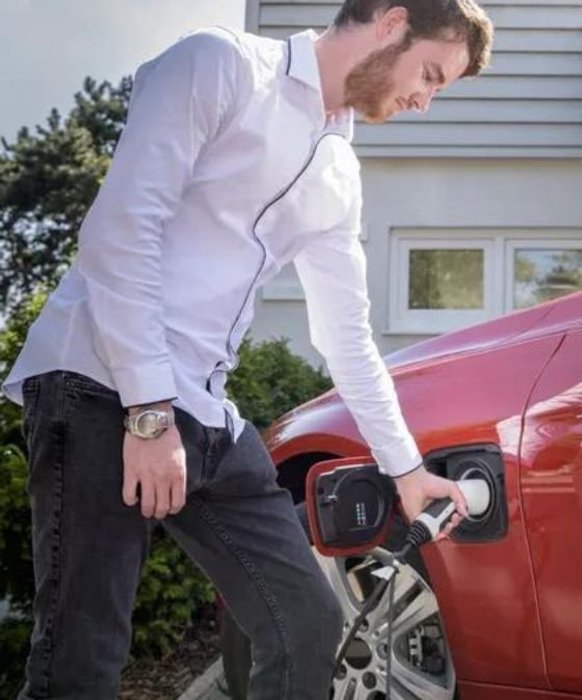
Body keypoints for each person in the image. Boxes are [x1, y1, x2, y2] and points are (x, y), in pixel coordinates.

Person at [0, 0, 493, 696]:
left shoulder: (336, 170)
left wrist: (407, 472)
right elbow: (119, 231)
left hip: (204, 410)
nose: (424, 100)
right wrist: (148, 413)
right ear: (390, 22)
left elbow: (346, 336)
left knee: (306, 623)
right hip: (99, 381)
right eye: (431, 73)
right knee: (81, 659)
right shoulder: (220, 65)